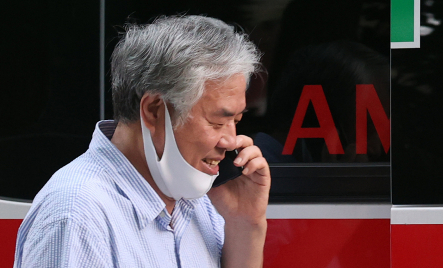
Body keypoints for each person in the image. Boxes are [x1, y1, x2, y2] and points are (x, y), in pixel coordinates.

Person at [14, 15, 270, 268]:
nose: (231, 140)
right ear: (154, 110)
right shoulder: (77, 215)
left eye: (236, 120)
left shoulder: (200, 202)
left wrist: (246, 224)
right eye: (217, 122)